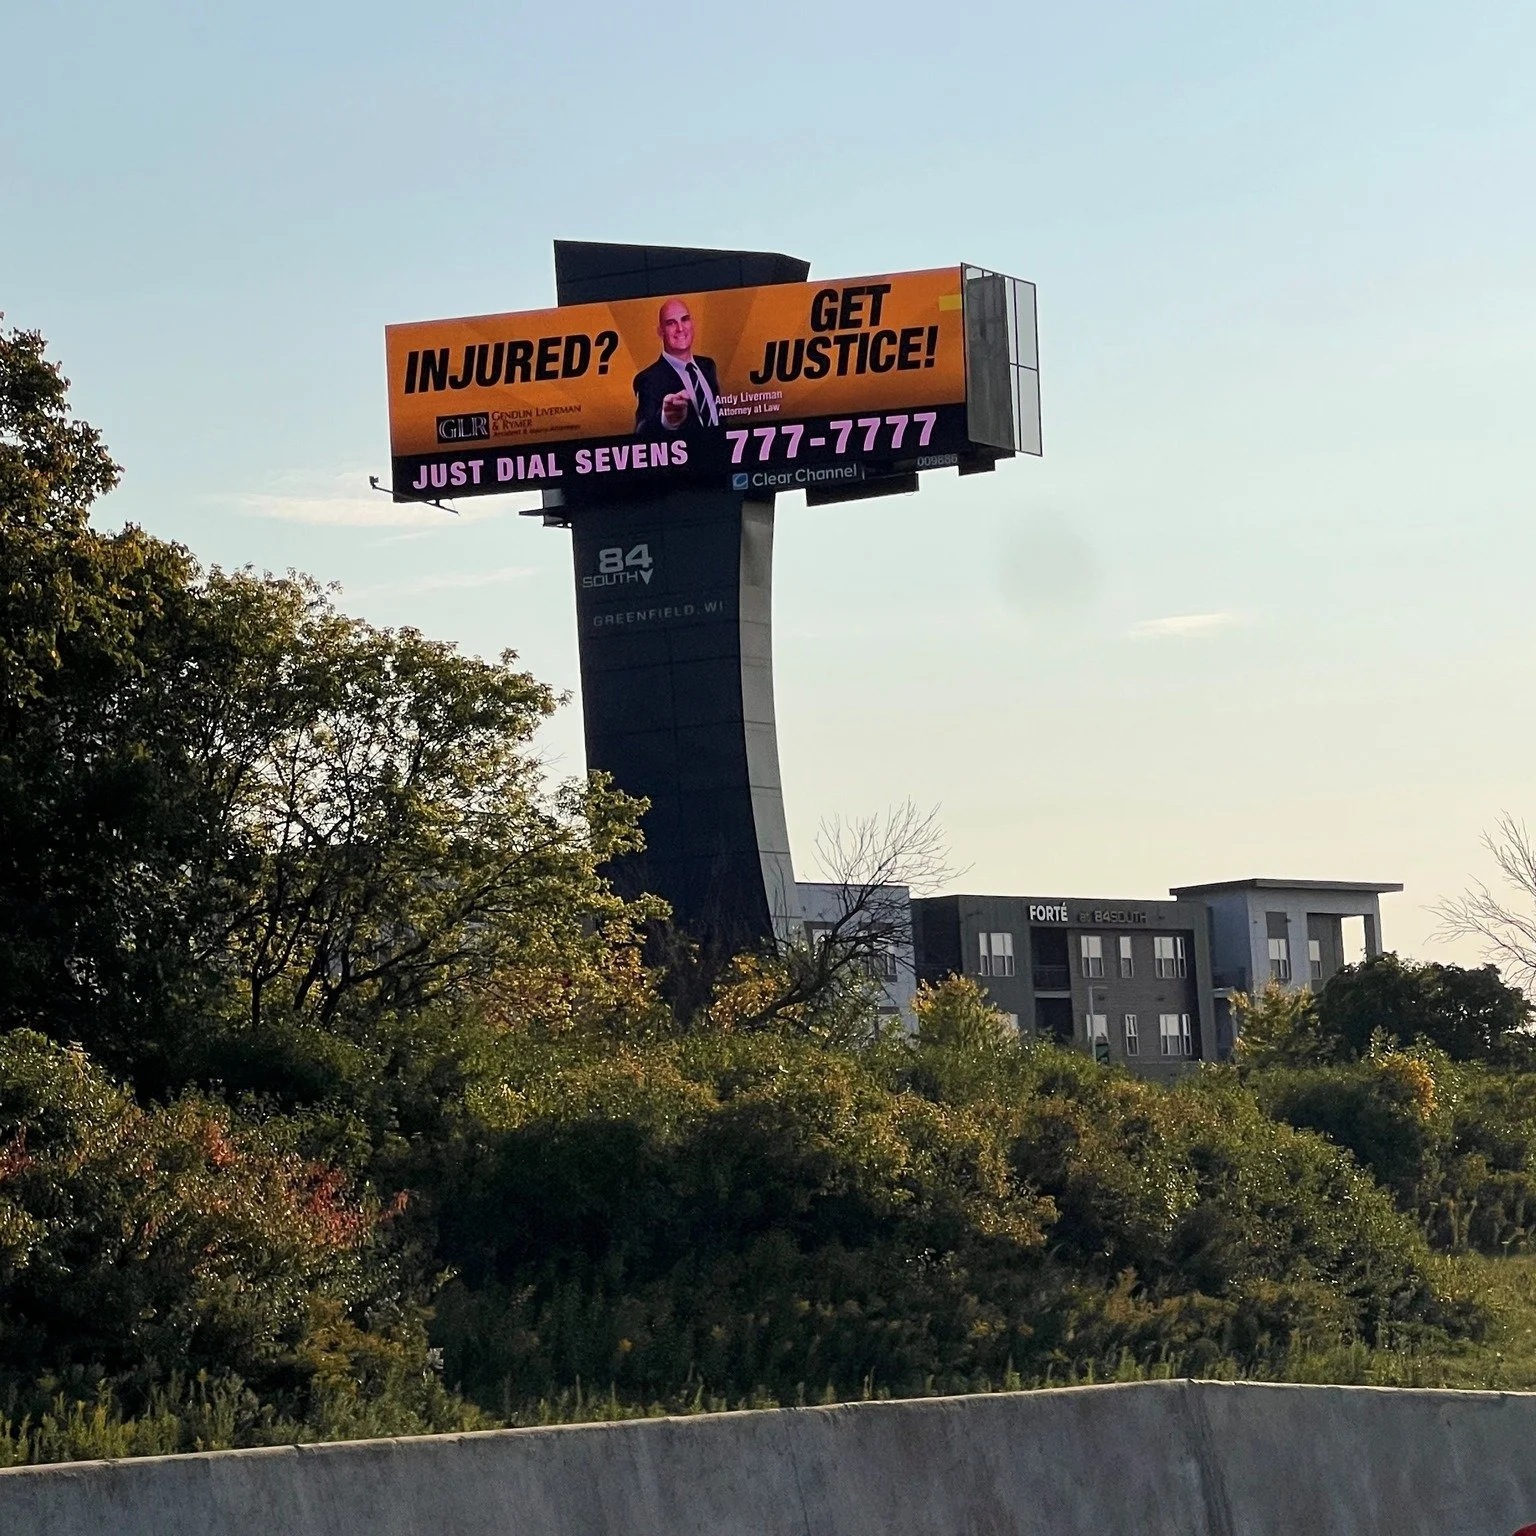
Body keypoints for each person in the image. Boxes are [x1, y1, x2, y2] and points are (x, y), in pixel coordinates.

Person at [632, 298, 721, 434]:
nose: (680, 328)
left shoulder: (708, 366)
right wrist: (666, 420)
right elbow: (642, 430)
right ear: (660, 331)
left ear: (692, 323)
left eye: (684, 319)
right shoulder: (648, 380)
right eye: (671, 323)